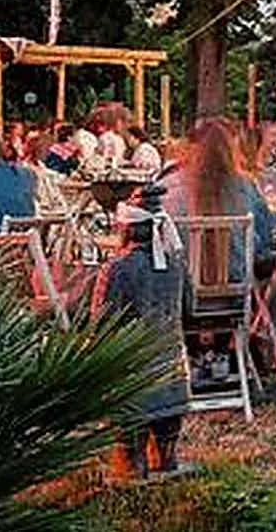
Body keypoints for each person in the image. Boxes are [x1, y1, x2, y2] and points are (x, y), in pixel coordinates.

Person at [91, 184, 189, 479]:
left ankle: (132, 471)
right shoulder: (175, 263)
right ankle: (165, 461)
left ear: (128, 230)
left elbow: (102, 324)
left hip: (134, 386)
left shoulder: (118, 268)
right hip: (173, 382)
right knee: (165, 447)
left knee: (128, 452)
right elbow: (189, 306)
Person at [161, 118, 276, 280]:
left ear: (188, 148)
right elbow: (265, 239)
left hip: (179, 296)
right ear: (233, 150)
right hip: (236, 294)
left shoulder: (166, 186)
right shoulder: (245, 186)